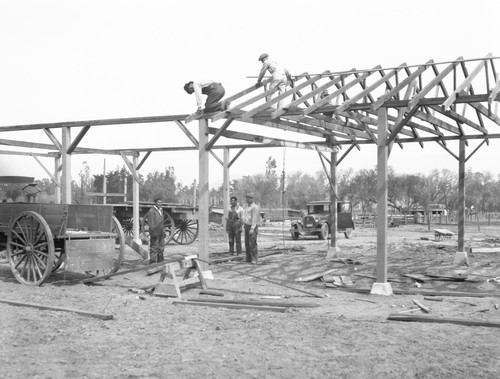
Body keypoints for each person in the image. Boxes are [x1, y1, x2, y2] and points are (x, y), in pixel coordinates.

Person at [143, 197, 166, 264]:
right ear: (155, 203)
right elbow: (151, 223)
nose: (160, 204)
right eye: (158, 202)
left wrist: (163, 231)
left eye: (161, 202)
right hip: (155, 232)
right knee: (154, 248)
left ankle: (160, 262)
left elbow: (162, 222)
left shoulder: (161, 210)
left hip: (161, 232)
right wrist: (153, 233)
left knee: (161, 247)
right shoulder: (151, 211)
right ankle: (152, 263)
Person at [243, 193, 261, 264]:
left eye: (248, 198)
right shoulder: (247, 207)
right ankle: (248, 258)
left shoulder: (255, 207)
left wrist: (252, 228)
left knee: (252, 243)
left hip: (252, 226)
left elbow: (254, 218)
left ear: (252, 199)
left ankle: (254, 259)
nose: (247, 200)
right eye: (246, 198)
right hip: (246, 226)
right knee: (247, 243)